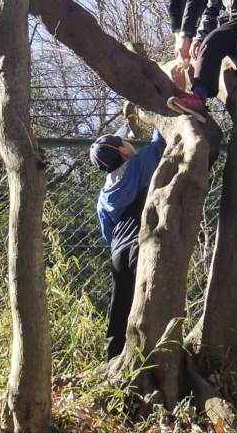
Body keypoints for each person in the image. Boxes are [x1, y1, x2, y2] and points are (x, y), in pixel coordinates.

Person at [91, 127, 166, 360]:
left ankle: (113, 356)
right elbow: (160, 141)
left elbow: (107, 233)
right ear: (123, 150)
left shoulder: (104, 194)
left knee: (121, 303)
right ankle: (151, 355)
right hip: (141, 243)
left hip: (118, 252)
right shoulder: (138, 165)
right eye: (124, 141)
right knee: (149, 300)